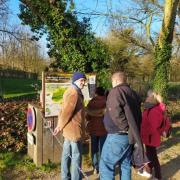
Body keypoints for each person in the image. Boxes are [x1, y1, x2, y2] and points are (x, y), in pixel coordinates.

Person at [100, 71, 143, 180]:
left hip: (118, 135)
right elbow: (138, 114)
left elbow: (115, 111)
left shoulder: (116, 91)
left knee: (106, 165)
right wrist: (130, 130)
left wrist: (125, 128)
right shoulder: (132, 93)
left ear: (115, 81)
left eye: (112, 82)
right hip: (129, 136)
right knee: (125, 165)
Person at [53, 72, 86, 180]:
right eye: (81, 80)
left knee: (66, 154)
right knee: (76, 156)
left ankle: (65, 177)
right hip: (74, 130)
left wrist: (60, 125)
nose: (83, 83)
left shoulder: (70, 90)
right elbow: (67, 112)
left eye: (84, 80)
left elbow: (62, 110)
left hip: (68, 130)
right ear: (75, 80)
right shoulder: (74, 93)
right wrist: (59, 126)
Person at [140, 90, 166, 180]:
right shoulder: (150, 108)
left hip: (151, 137)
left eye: (147, 97)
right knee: (150, 155)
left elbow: (156, 124)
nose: (145, 100)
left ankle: (158, 176)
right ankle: (148, 171)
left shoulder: (153, 110)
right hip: (148, 137)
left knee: (153, 157)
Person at [86, 87, 107, 174]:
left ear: (95, 93)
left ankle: (95, 167)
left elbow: (87, 117)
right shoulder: (107, 101)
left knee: (94, 149)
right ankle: (102, 167)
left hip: (93, 129)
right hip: (104, 129)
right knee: (103, 149)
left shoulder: (91, 102)